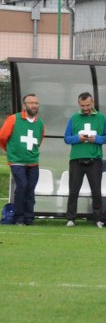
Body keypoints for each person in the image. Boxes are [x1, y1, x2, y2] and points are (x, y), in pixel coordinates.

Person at [64, 92, 106, 227]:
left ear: (93, 103)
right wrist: (78, 138)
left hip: (94, 159)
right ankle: (71, 218)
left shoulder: (101, 118)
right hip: (76, 159)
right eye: (82, 105)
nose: (85, 108)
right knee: (73, 190)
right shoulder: (73, 118)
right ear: (79, 104)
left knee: (96, 190)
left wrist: (96, 139)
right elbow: (67, 138)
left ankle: (97, 219)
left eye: (87, 105)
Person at [0, 94, 45, 226]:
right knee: (22, 186)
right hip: (17, 161)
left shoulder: (40, 123)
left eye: (36, 103)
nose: (34, 105)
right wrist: (10, 151)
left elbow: (39, 140)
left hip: (33, 161)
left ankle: (29, 218)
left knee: (30, 189)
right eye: (31, 103)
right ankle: (19, 217)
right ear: (24, 105)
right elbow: (2, 137)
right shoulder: (13, 119)